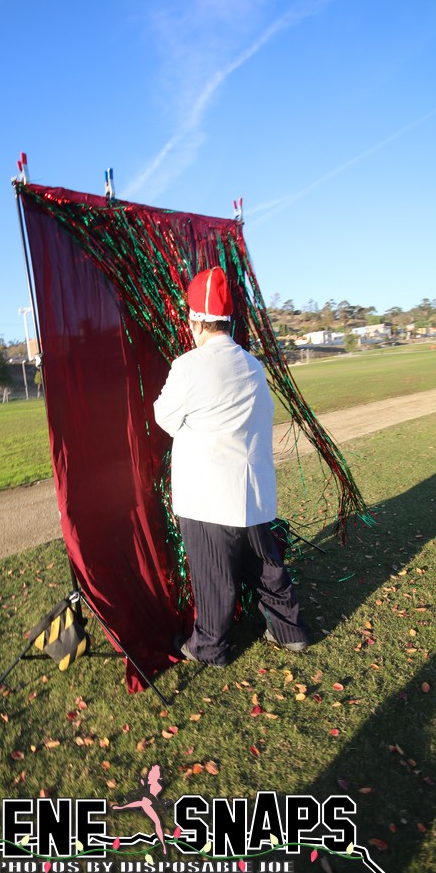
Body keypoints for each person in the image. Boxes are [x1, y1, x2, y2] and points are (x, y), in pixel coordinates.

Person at [153, 266, 308, 667]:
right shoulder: (253, 366)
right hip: (253, 490)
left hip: (207, 498)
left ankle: (209, 646)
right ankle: (288, 629)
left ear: (197, 320)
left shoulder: (189, 366)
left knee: (214, 577)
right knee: (266, 565)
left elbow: (163, 416)